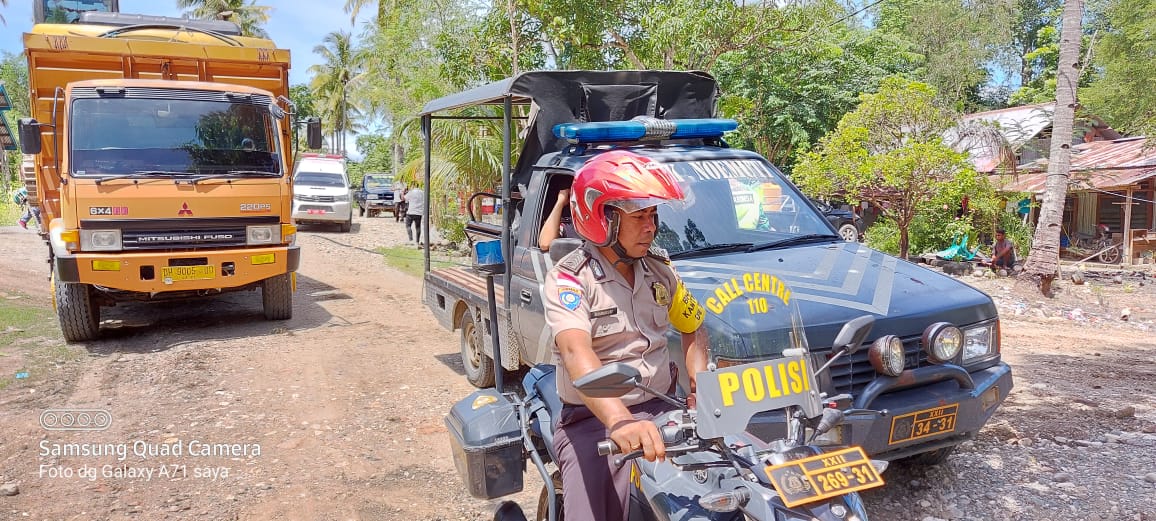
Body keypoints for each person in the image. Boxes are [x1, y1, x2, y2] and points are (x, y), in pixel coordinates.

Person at [543, 150, 708, 521]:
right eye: (638, 216)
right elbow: (575, 351)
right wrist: (620, 419)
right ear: (602, 219)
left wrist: (701, 389)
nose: (650, 227)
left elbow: (693, 325)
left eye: (652, 215)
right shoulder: (570, 278)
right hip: (593, 419)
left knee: (727, 481)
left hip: (664, 407)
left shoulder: (660, 271)